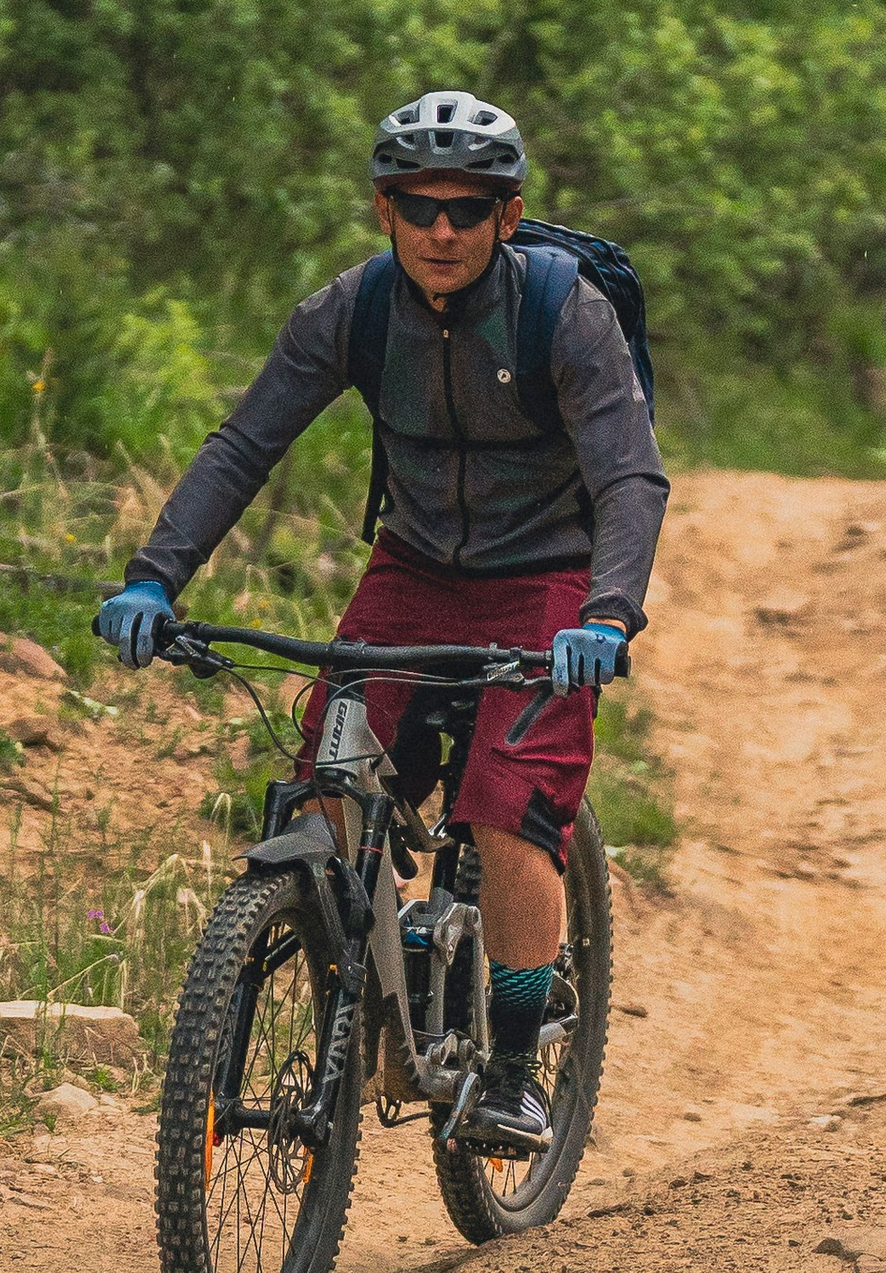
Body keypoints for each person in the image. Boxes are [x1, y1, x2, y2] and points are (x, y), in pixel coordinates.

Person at [95, 92, 668, 1150]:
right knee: (328, 773)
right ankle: (359, 981)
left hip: (546, 581)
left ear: (508, 214)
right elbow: (242, 445)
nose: (439, 230)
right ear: (384, 211)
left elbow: (629, 476)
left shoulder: (564, 310)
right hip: (411, 571)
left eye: (465, 208)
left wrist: (607, 613)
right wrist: (152, 578)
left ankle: (507, 1066)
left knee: (506, 804)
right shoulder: (351, 312)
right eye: (417, 207)